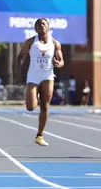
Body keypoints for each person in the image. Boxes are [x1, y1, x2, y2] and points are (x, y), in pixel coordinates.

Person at [16, 18, 64, 147]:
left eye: (43, 24)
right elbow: (20, 57)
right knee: (31, 107)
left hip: (48, 76)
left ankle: (39, 135)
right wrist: (19, 74)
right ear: (35, 29)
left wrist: (58, 64)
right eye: (38, 25)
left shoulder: (55, 43)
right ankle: (34, 95)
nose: (41, 26)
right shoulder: (31, 42)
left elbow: (61, 61)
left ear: (48, 27)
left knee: (45, 105)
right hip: (33, 76)